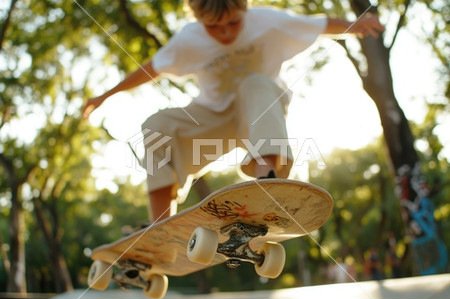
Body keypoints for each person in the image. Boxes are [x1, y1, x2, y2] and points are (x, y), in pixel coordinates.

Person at [82, 0, 384, 222]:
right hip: (212, 121)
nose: (225, 33)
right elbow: (151, 69)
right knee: (155, 126)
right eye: (214, 27)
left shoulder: (267, 21)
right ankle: (161, 226)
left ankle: (267, 181)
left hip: (259, 114)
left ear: (245, 10)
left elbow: (318, 24)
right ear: (198, 18)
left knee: (255, 83)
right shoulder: (189, 39)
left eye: (233, 24)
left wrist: (355, 24)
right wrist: (105, 96)